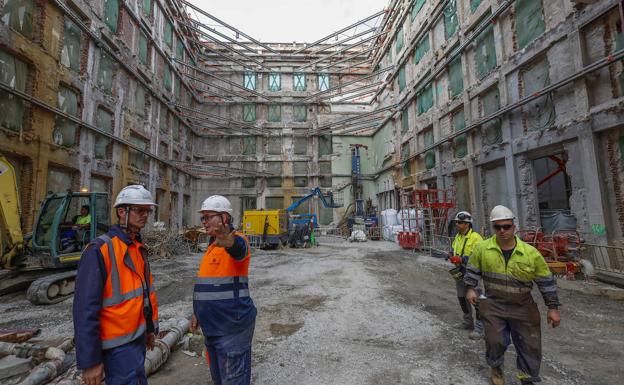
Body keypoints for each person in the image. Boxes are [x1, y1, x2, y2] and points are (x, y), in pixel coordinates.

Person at [464, 205, 561, 385]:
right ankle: (496, 368)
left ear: (513, 227)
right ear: (493, 227)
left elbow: (546, 283)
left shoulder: (530, 253)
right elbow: (472, 270)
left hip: (523, 306)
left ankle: (527, 378)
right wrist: (470, 288)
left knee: (529, 345)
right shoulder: (482, 249)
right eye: (498, 227)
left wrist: (553, 308)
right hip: (493, 304)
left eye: (506, 226)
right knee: (495, 341)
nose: (502, 231)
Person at [73, 185, 159, 385]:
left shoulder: (137, 247)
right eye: (139, 210)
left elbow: (144, 295)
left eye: (147, 211)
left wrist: (149, 329)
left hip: (136, 341)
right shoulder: (99, 250)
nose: (145, 215)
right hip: (116, 349)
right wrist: (90, 361)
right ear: (122, 211)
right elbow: (85, 309)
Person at [191, 195, 256, 385]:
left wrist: (228, 239)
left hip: (232, 328)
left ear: (224, 218)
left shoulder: (237, 241)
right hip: (213, 327)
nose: (204, 222)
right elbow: (206, 285)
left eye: (208, 217)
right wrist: (197, 312)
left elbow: (238, 249)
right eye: (202, 218)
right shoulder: (212, 247)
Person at [448, 211, 483, 339]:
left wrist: (462, 259)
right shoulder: (458, 236)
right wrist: (451, 254)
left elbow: (479, 258)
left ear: (467, 224)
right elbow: (454, 249)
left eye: (460, 222)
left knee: (477, 300)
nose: (457, 224)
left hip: (472, 273)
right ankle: (468, 322)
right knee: (462, 297)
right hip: (459, 271)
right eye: (457, 222)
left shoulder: (476, 238)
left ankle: (480, 328)